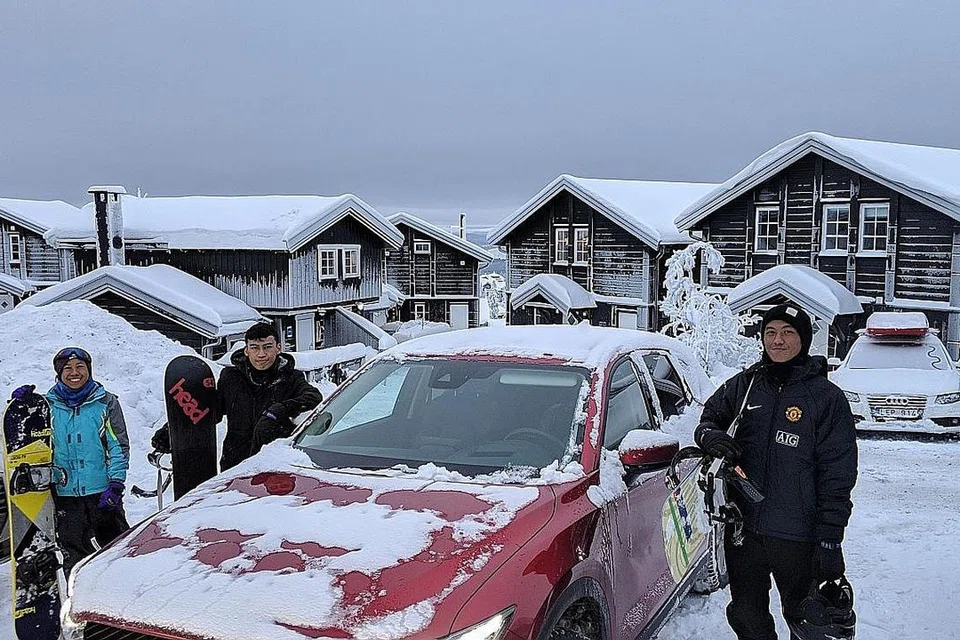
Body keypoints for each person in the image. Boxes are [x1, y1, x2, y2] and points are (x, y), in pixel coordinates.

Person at [694, 304, 858, 640]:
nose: (777, 341)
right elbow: (708, 418)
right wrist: (711, 437)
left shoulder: (827, 399)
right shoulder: (746, 386)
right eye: (770, 332)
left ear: (804, 339)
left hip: (797, 537)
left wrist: (830, 540)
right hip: (744, 531)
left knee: (807, 620)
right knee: (746, 615)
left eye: (787, 332)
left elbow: (837, 477)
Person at [152, 323, 322, 470]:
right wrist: (172, 432)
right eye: (255, 348)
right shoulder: (231, 377)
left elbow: (314, 397)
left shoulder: (291, 378)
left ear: (278, 347)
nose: (261, 354)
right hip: (234, 462)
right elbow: (207, 411)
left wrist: (280, 410)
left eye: (267, 347)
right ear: (246, 350)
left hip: (273, 462)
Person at [46, 347, 130, 576]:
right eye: (68, 369)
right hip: (66, 497)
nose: (75, 373)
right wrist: (25, 407)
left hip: (102, 495)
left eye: (80, 367)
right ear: (59, 373)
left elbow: (118, 445)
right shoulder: (48, 407)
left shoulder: (105, 402)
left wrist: (115, 485)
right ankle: (81, 608)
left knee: (117, 555)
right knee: (75, 562)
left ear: (89, 370)